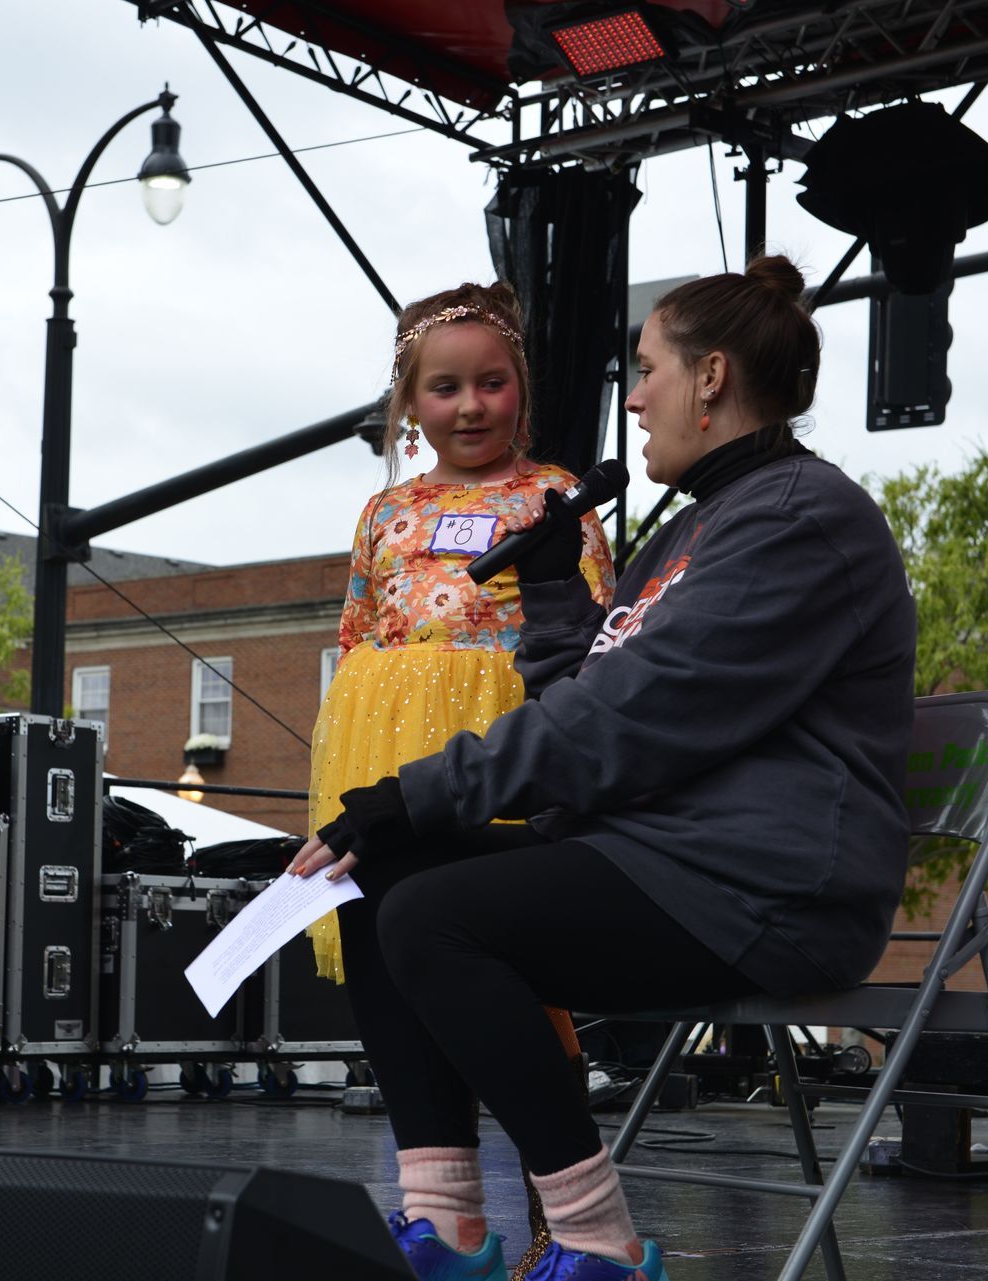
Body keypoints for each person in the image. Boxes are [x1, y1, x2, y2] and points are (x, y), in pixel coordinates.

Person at [290, 256, 918, 1281]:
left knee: (433, 915)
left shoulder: (796, 517)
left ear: (710, 379)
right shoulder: (704, 521)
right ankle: (446, 1226)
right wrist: (549, 593)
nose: (634, 397)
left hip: (764, 889)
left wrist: (413, 792)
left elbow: (624, 721)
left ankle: (597, 1241)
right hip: (675, 854)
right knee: (382, 882)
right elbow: (596, 684)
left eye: (648, 368)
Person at [307, 282, 615, 1278]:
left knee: (514, 975)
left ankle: (561, 1215)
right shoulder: (383, 511)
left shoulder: (557, 498)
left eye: (492, 383)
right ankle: (443, 1219)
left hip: (498, 744)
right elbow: (358, 636)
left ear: (521, 388)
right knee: (395, 953)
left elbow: (594, 645)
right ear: (409, 406)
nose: (471, 406)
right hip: (381, 749)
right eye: (445, 389)